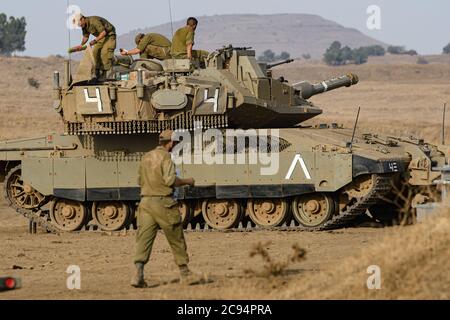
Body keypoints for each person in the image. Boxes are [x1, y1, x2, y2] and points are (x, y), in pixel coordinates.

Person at [131, 130, 196, 288]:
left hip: (145, 204)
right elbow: (170, 180)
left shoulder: (146, 156)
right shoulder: (166, 157)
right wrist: (188, 181)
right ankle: (185, 273)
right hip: (163, 204)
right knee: (176, 237)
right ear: (172, 143)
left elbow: (139, 180)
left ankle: (138, 275)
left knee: (144, 240)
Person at [70, 13, 116, 79]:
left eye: (79, 24)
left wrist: (94, 41)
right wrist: (81, 45)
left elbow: (104, 32)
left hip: (109, 35)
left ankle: (104, 74)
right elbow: (86, 37)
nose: (80, 26)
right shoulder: (84, 26)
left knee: (104, 52)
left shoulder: (94, 21)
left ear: (82, 19)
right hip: (100, 37)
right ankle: (96, 73)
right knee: (94, 51)